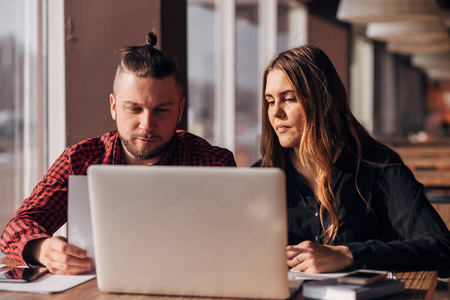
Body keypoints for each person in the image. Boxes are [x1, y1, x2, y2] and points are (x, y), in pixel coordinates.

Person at [1, 32, 236, 275]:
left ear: (180, 110)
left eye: (161, 110)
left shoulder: (214, 163)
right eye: (134, 109)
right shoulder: (80, 161)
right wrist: (42, 249)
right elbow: (15, 228)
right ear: (114, 106)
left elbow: (241, 238)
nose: (146, 124)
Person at [254, 45, 450, 277]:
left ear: (321, 101)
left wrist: (349, 255)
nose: (276, 112)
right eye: (269, 101)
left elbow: (442, 248)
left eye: (289, 99)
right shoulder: (261, 178)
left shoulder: (379, 167)